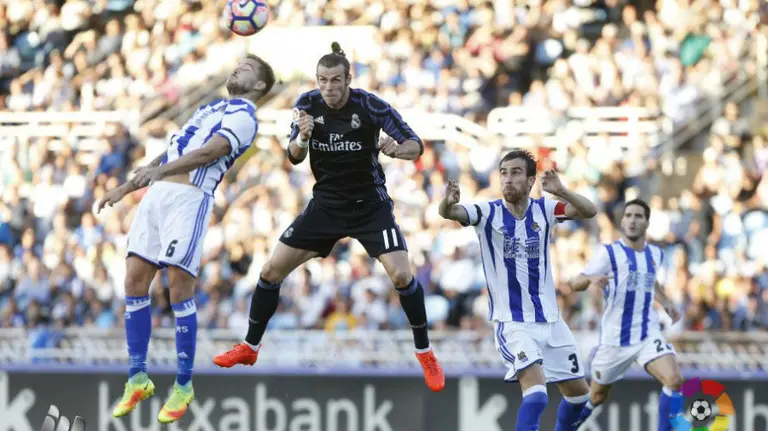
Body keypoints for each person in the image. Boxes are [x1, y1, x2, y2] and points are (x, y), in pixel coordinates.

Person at [212, 42, 445, 392]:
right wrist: (303, 137)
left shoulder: (369, 105)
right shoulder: (307, 104)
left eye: (336, 80)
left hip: (370, 206)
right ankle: (250, 346)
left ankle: (425, 352)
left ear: (349, 79)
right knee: (270, 271)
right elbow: (292, 156)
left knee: (401, 274)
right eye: (323, 81)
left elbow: (415, 144)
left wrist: (396, 150)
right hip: (326, 206)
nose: (330, 88)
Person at [96, 54, 276, 423]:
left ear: (259, 85)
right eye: (236, 64)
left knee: (178, 286)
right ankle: (137, 377)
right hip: (158, 195)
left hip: (190, 197)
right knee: (133, 280)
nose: (234, 68)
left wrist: (160, 171)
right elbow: (177, 147)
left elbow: (209, 153)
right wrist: (129, 185)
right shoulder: (211, 107)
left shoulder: (244, 116)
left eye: (244, 68)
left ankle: (182, 384)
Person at [438, 149, 597, 431]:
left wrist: (562, 190)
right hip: (514, 323)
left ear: (530, 180)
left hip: (551, 320)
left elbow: (589, 210)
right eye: (504, 173)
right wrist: (447, 204)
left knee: (580, 397)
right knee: (536, 395)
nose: (508, 179)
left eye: (515, 173)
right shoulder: (487, 212)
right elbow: (451, 212)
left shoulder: (544, 210)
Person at [571, 199, 685, 430]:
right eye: (628, 215)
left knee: (674, 380)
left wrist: (666, 304)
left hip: (647, 333)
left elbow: (652, 283)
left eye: (638, 216)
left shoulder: (655, 254)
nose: (632, 220)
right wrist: (591, 278)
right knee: (597, 396)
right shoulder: (608, 253)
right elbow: (575, 283)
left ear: (646, 223)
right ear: (622, 221)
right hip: (615, 340)